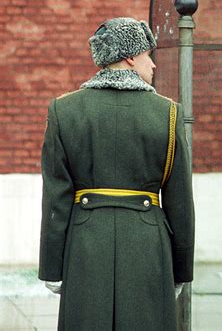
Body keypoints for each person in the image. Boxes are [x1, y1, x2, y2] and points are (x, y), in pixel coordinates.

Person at [38, 17, 195, 330]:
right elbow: (180, 202)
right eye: (147, 55)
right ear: (130, 58)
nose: (152, 65)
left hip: (85, 243)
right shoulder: (167, 112)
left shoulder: (64, 110)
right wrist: (181, 270)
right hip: (148, 244)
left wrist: (51, 266)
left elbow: (56, 198)